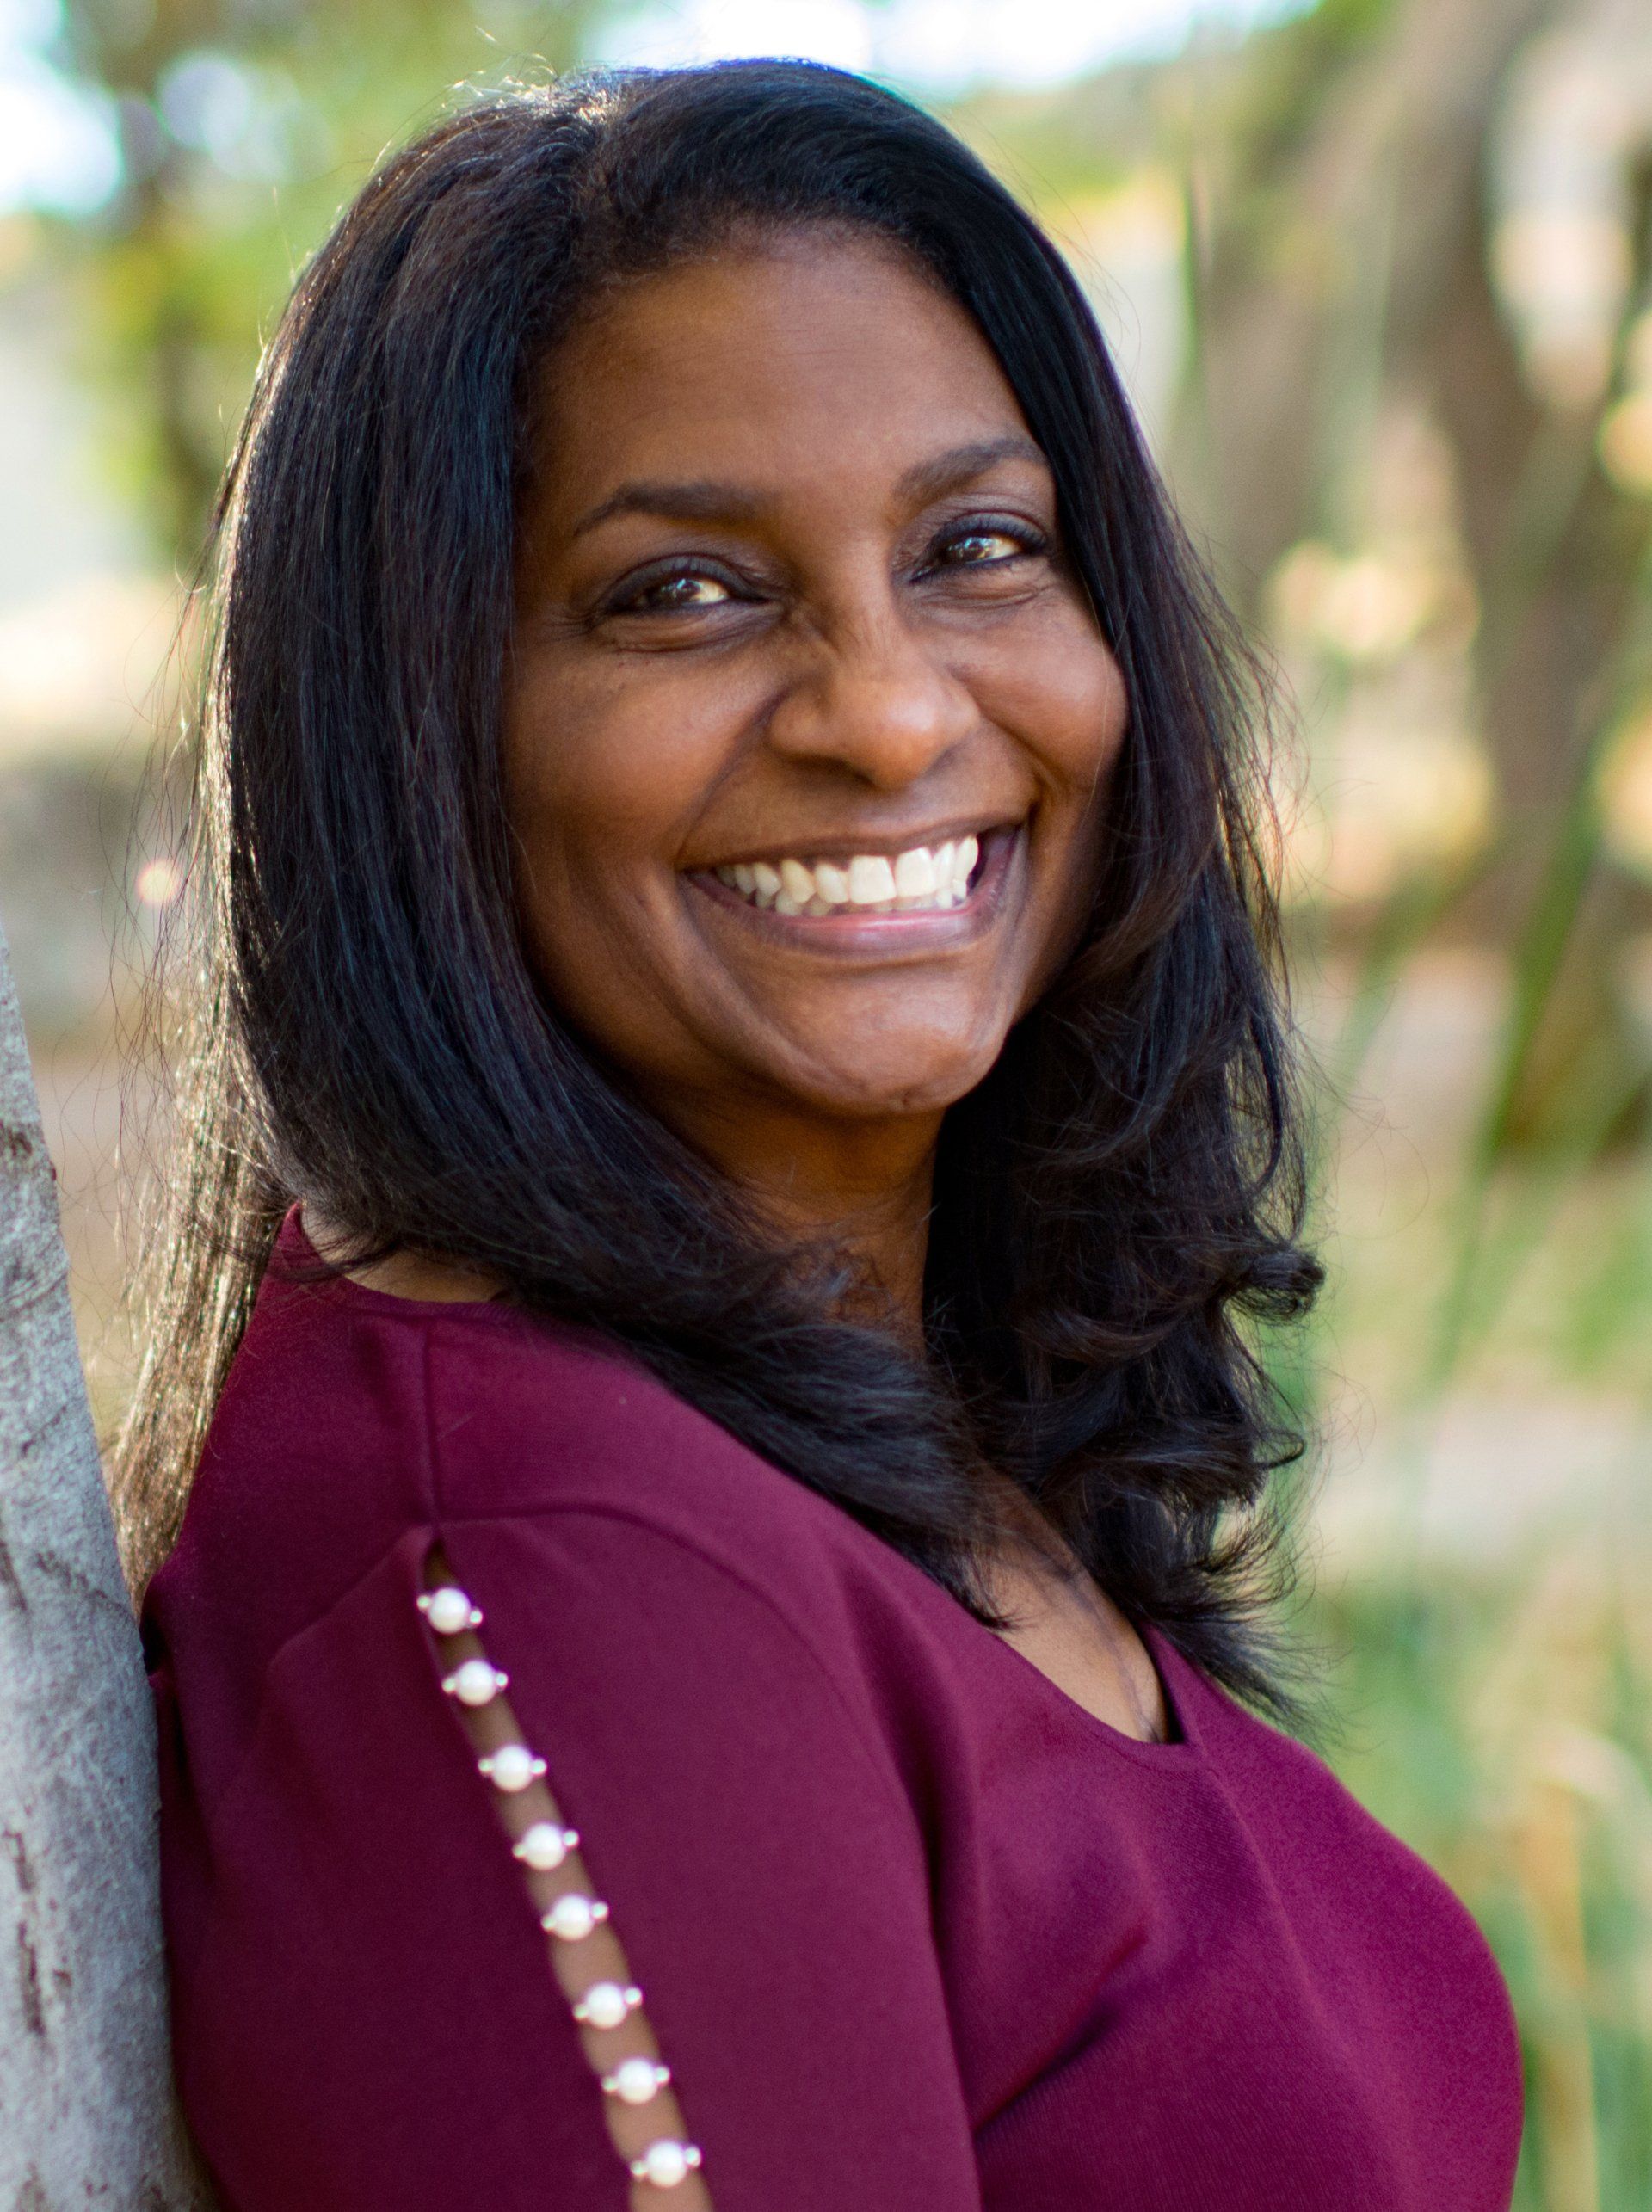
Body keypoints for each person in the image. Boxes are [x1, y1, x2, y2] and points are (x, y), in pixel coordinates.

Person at [121, 60, 1523, 2211]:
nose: (883, 707)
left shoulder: (876, 1430)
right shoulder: (529, 1553)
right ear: (422, 730)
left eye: (979, 548)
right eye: (683, 591)